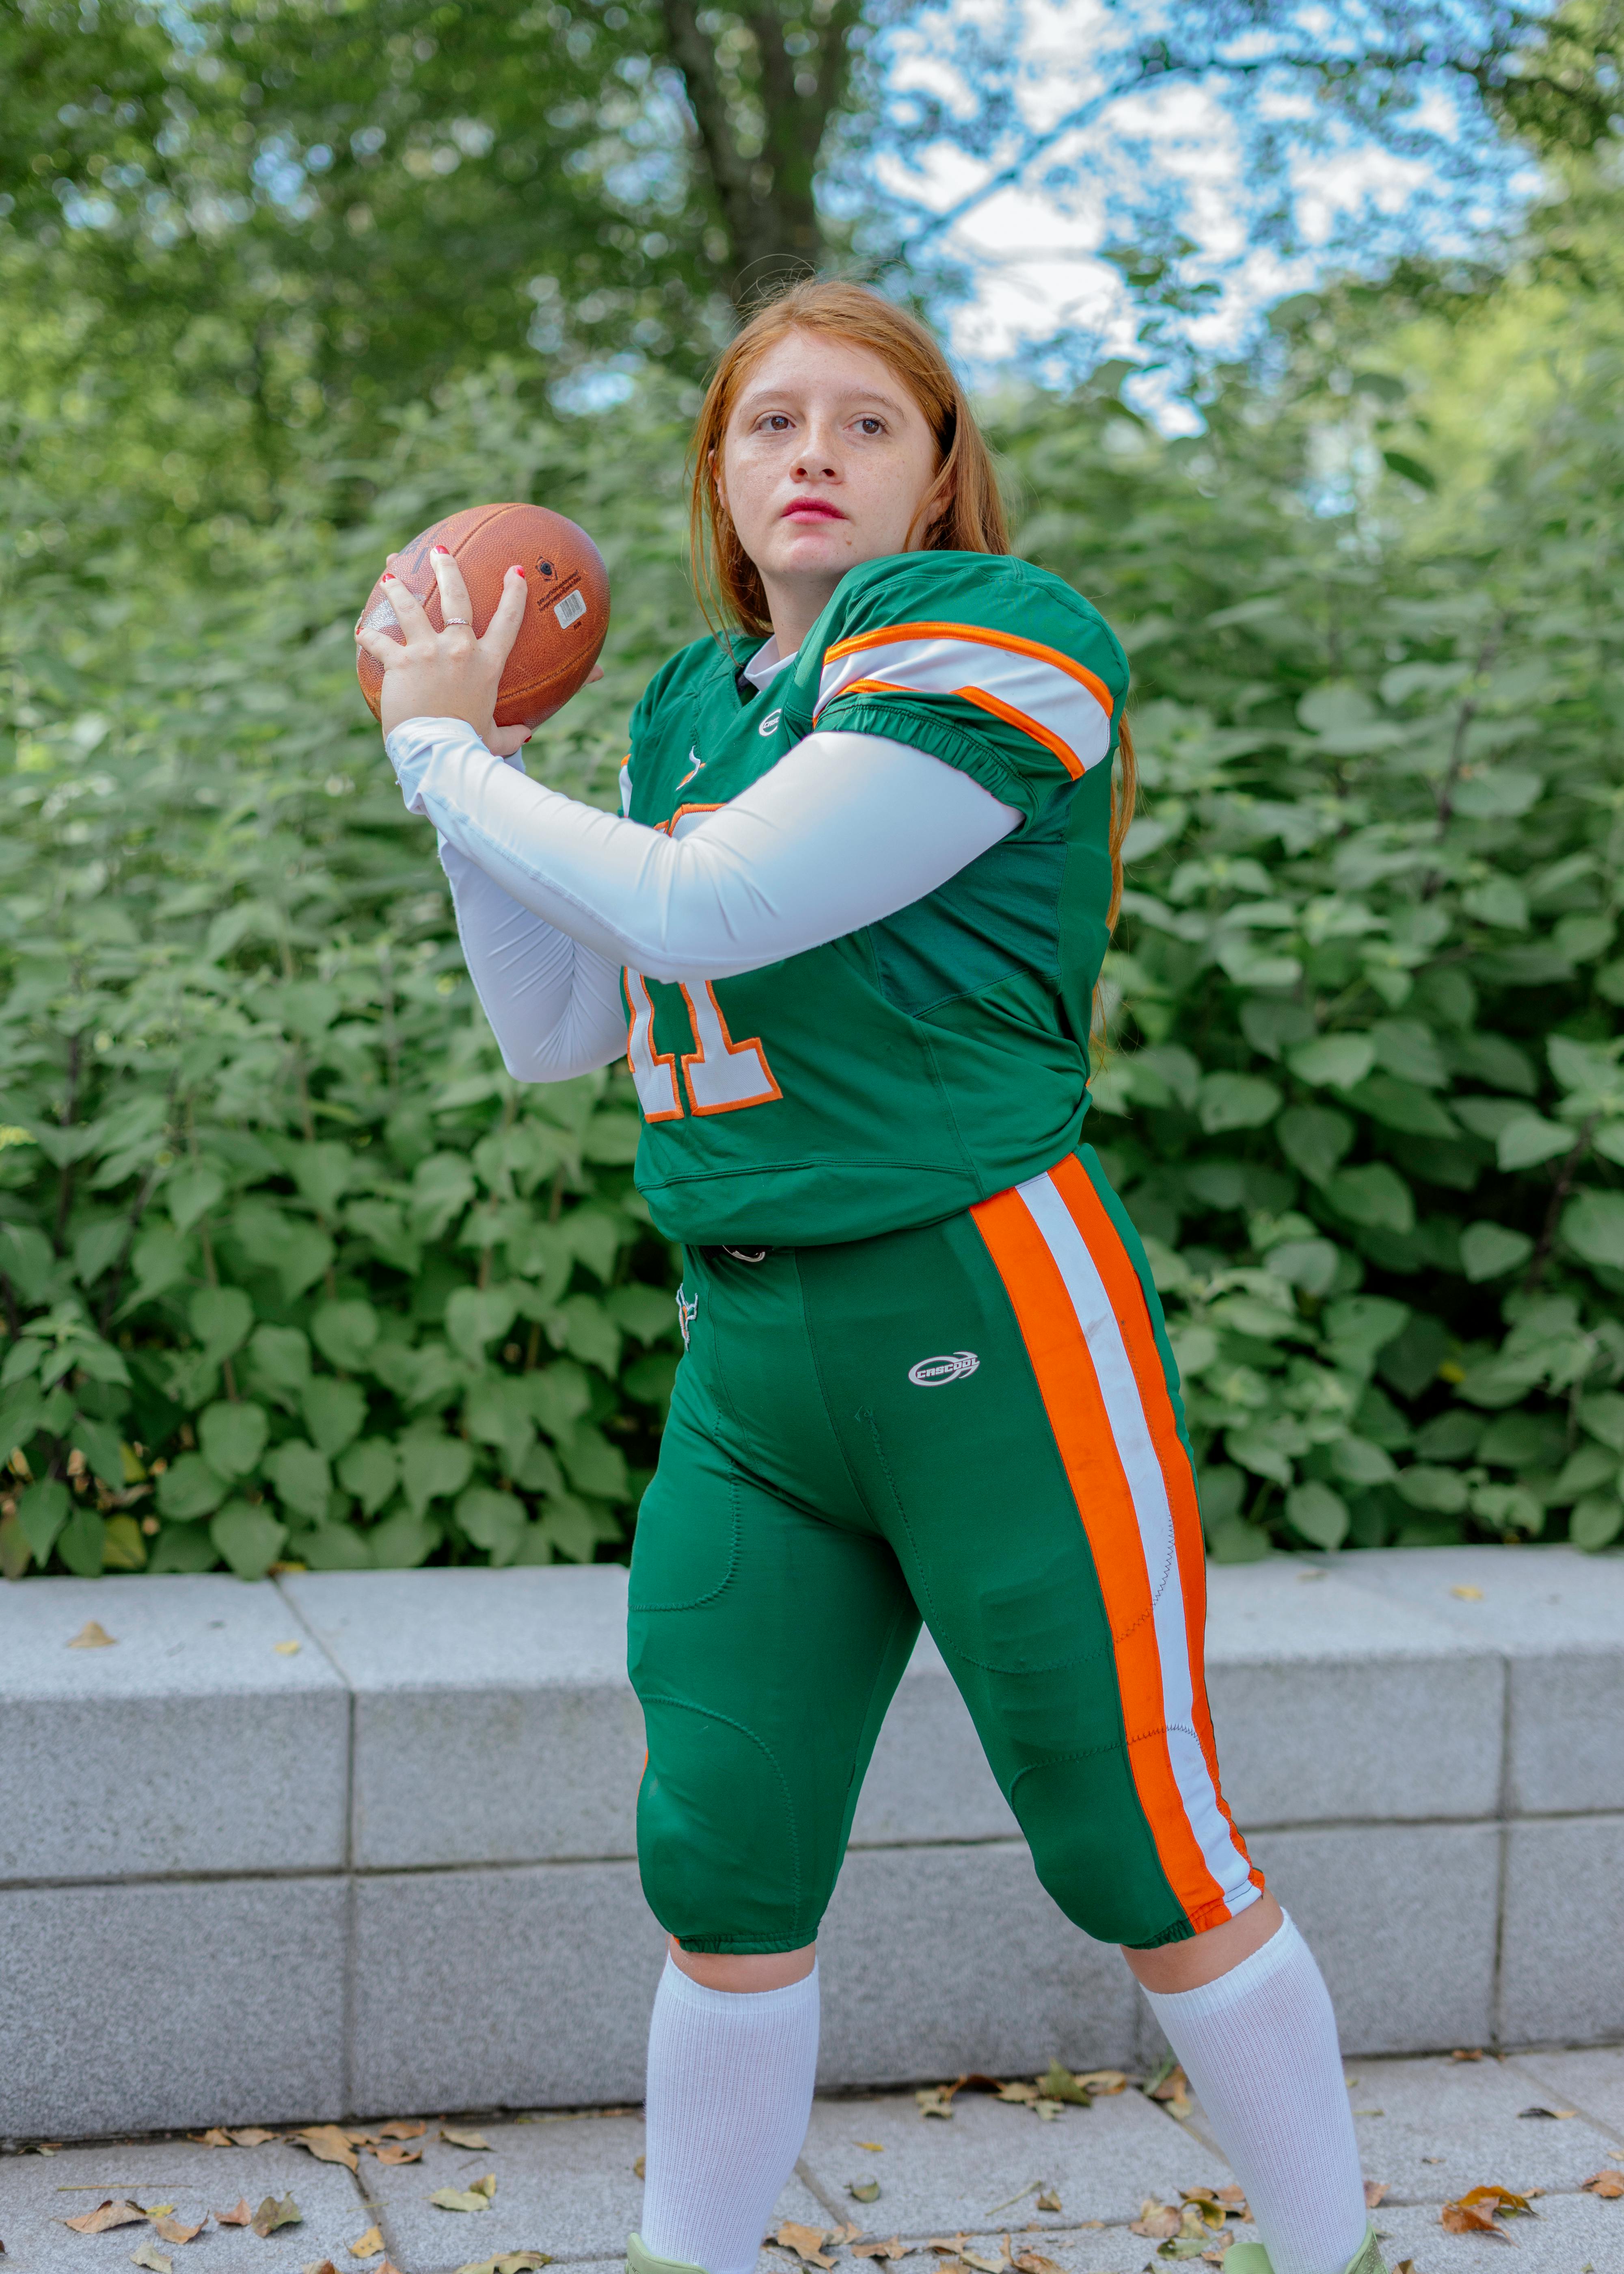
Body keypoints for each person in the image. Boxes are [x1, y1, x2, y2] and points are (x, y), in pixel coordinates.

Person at [361, 280, 1383, 2274]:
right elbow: (563, 1023)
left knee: (1136, 1844)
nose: (808, 454)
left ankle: (1336, 2249)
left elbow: (712, 898)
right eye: (766, 425)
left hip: (987, 1314)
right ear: (717, 479)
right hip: (749, 1346)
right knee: (719, 1858)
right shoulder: (687, 696)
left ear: (936, 474)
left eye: (861, 424)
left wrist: (437, 760)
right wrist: (475, 770)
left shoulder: (1000, 636)